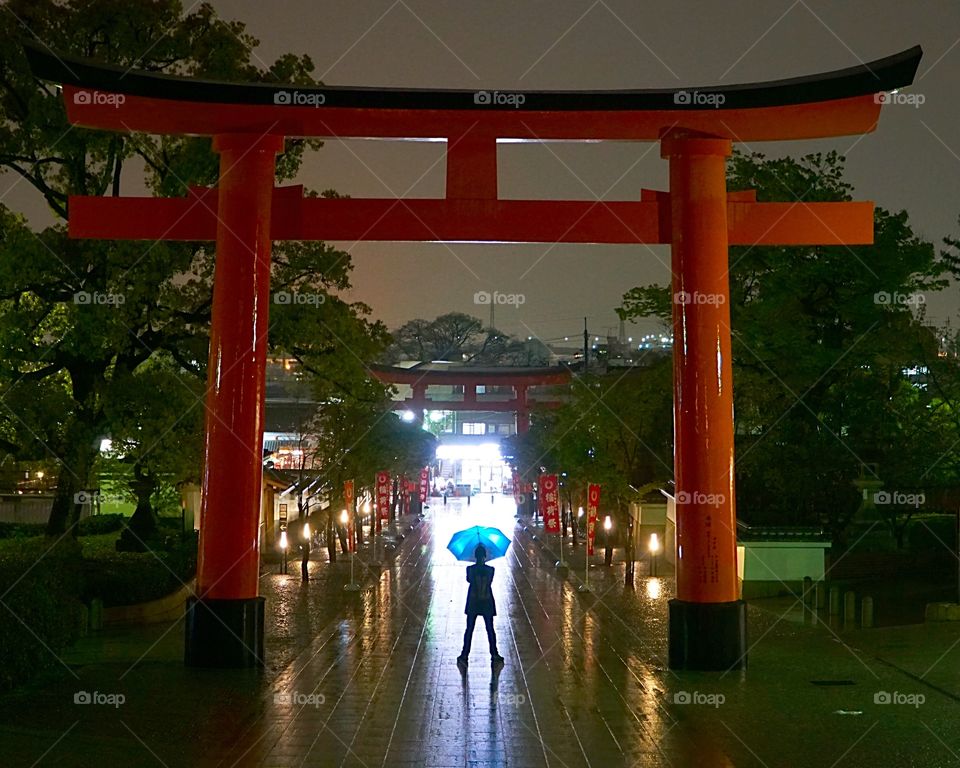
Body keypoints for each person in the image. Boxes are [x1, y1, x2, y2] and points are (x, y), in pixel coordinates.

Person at [457, 544, 504, 670]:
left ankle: (464, 654)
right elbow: (489, 582)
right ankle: (494, 654)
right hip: (487, 602)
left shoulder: (470, 569)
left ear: (475, 556)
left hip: (473, 602)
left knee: (469, 629)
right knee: (490, 629)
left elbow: (469, 580)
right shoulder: (491, 570)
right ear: (485, 556)